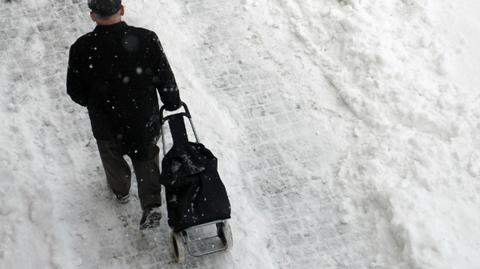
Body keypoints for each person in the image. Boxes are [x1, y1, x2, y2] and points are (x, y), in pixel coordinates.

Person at [66, 0, 181, 229]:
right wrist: (172, 101)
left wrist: (93, 102)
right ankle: (151, 203)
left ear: (93, 16)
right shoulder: (147, 38)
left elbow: (74, 90)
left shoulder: (81, 48)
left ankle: (121, 191)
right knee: (147, 158)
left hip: (106, 123)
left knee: (113, 160)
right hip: (142, 119)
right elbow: (164, 76)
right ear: (122, 10)